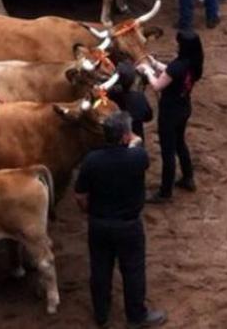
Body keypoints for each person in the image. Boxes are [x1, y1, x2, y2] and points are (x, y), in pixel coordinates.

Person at [74, 110, 167, 329]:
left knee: (100, 269)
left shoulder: (91, 160)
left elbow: (79, 195)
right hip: (128, 224)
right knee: (133, 270)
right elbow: (137, 141)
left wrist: (89, 212)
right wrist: (131, 138)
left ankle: (101, 314)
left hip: (99, 222)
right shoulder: (138, 157)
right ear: (125, 135)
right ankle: (136, 316)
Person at [140, 30, 205, 205]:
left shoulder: (177, 66)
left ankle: (165, 192)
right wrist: (155, 64)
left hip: (170, 113)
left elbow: (157, 85)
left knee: (168, 151)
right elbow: (171, 73)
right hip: (184, 107)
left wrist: (147, 70)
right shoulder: (194, 62)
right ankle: (188, 177)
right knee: (180, 143)